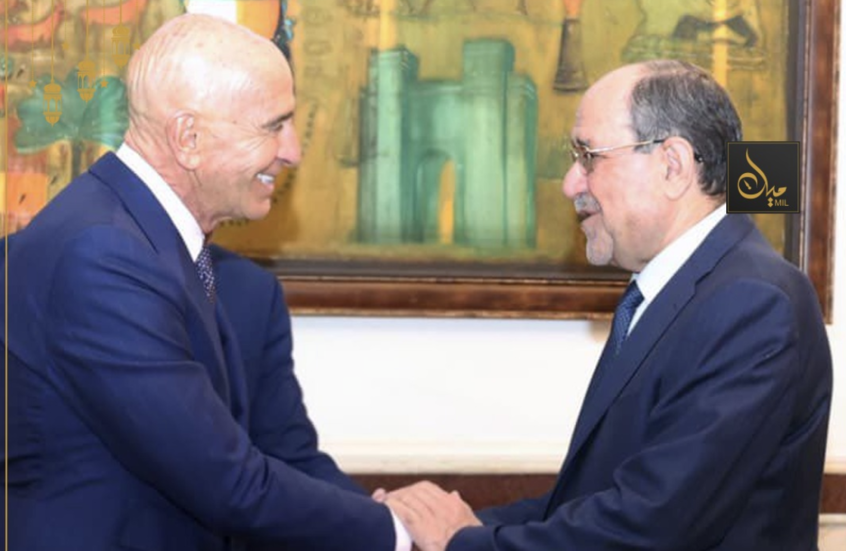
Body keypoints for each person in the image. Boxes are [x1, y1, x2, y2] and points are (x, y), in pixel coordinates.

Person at [383, 59, 834, 551]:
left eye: (589, 157)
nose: (570, 184)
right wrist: (437, 529)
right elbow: (590, 500)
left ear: (672, 166)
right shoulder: (677, 290)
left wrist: (460, 542)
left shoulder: (753, 304)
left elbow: (649, 525)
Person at [1, 14, 410, 551]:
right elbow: (228, 482)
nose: (292, 150)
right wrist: (402, 532)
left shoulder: (149, 243)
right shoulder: (103, 255)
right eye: (273, 126)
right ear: (188, 138)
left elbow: (269, 456)